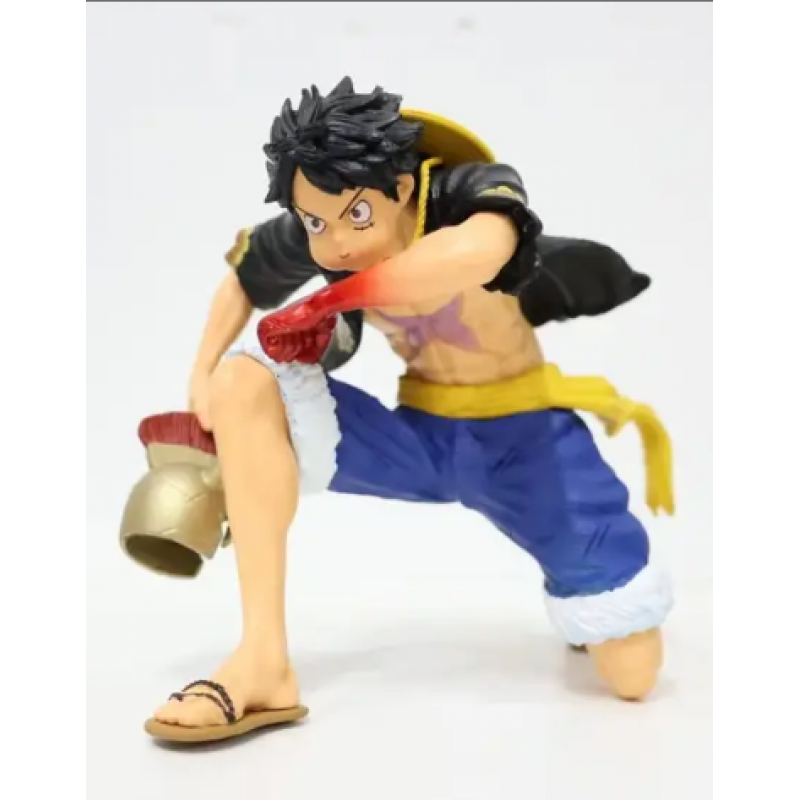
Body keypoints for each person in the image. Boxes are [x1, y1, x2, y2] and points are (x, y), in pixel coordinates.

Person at [146, 77, 675, 743]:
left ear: (400, 189)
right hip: (419, 440)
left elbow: (471, 255)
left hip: (526, 441)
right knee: (242, 381)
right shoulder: (319, 222)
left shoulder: (465, 194)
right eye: (316, 223)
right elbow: (243, 279)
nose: (337, 243)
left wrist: (323, 303)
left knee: (632, 674)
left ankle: (577, 575)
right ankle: (263, 662)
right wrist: (202, 376)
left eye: (356, 216)